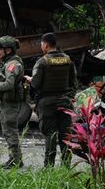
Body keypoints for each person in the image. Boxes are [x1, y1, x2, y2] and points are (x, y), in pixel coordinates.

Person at [28, 32, 78, 167]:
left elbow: (36, 84)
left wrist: (30, 80)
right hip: (65, 101)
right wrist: (69, 97)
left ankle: (49, 167)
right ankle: (66, 165)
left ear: (45, 45)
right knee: (65, 134)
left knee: (50, 133)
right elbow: (74, 82)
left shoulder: (42, 61)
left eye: (41, 44)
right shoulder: (68, 60)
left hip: (47, 102)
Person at [0, 36, 27, 168]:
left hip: (10, 103)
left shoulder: (12, 65)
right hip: (6, 102)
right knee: (8, 131)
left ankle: (15, 159)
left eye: (0, 49)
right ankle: (15, 158)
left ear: (8, 50)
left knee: (10, 131)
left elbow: (9, 85)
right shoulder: (7, 62)